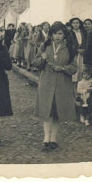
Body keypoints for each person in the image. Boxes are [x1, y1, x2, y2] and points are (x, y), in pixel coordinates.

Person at [33, 22, 77, 151]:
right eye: (54, 34)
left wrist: (63, 68)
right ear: (51, 35)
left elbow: (74, 68)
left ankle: (54, 139)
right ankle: (46, 138)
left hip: (62, 84)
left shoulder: (70, 48)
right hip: (46, 83)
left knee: (57, 112)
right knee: (47, 111)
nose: (57, 36)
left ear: (64, 35)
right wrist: (42, 58)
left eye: (60, 34)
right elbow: (35, 63)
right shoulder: (45, 46)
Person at [69, 17, 87, 98]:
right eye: (74, 23)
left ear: (79, 24)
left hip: (82, 54)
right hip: (75, 55)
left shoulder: (83, 32)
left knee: (82, 70)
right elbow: (69, 44)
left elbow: (86, 42)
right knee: (75, 73)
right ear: (71, 24)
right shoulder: (69, 33)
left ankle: (80, 91)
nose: (75, 24)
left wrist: (84, 49)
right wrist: (76, 50)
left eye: (77, 23)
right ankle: (74, 93)